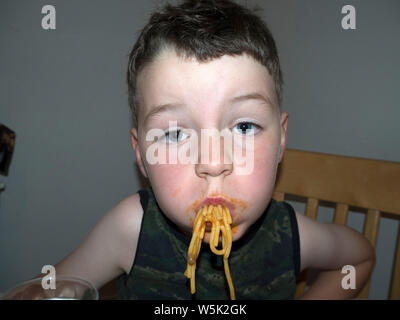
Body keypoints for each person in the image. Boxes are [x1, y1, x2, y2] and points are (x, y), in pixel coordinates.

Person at [54, 0, 375, 299]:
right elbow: (48, 288)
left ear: (281, 141)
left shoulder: (292, 236)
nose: (213, 162)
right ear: (141, 155)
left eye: (244, 127)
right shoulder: (130, 230)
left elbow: (359, 259)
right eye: (176, 133)